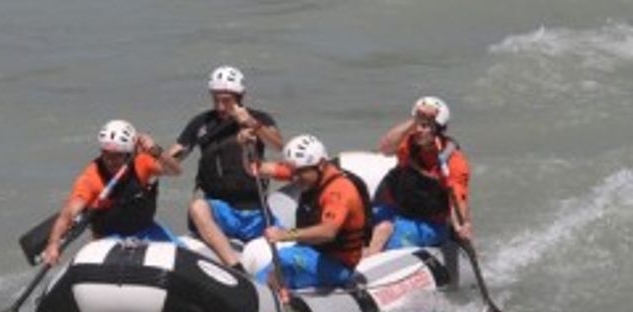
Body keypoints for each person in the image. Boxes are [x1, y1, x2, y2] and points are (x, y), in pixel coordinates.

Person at [167, 65, 283, 271]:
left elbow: (278, 146)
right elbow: (175, 156)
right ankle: (236, 267)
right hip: (220, 209)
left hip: (255, 210)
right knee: (197, 207)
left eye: (227, 100)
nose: (221, 106)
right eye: (216, 99)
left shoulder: (260, 119)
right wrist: (153, 155)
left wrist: (252, 124)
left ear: (241, 96)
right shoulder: (201, 123)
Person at [42, 119, 182, 265]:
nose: (110, 161)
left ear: (128, 154)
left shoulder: (141, 162)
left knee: (182, 260)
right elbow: (69, 212)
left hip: (147, 231)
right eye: (106, 154)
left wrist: (155, 149)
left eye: (116, 155)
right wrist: (53, 244)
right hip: (108, 239)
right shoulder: (91, 177)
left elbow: (176, 171)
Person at [253, 135, 371, 290]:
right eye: (292, 172)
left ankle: (272, 297)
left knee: (284, 258)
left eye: (299, 173)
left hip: (337, 266)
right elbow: (256, 169)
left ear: (321, 164)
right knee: (265, 271)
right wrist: (246, 146)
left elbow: (328, 232)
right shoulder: (306, 172)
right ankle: (258, 293)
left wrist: (285, 234)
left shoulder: (339, 190)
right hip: (312, 253)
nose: (294, 178)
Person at [365, 96, 473, 256]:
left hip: (429, 222)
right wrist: (416, 119)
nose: (418, 130)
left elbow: (457, 198)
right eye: (417, 125)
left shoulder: (453, 161)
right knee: (373, 228)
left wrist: (461, 226)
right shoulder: (408, 143)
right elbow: (385, 148)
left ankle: (367, 267)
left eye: (425, 126)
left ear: (438, 129)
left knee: (384, 232)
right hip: (396, 208)